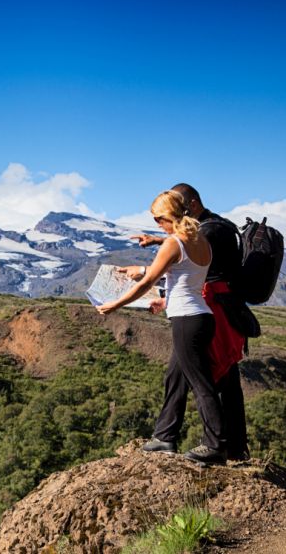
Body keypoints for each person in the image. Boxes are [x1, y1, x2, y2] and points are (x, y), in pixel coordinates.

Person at [96, 190, 227, 465]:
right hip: (200, 316)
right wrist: (164, 301)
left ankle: (216, 446)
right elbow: (187, 282)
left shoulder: (174, 243)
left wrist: (115, 304)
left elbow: (147, 281)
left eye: (158, 218)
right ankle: (164, 436)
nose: (157, 224)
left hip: (187, 321)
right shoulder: (201, 241)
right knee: (175, 378)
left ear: (170, 216)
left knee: (201, 384)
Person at [129, 183, 249, 461]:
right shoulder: (220, 227)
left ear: (191, 205)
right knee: (183, 372)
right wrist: (159, 241)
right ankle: (168, 436)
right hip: (212, 309)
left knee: (215, 379)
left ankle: (221, 445)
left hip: (211, 310)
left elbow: (185, 254)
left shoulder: (209, 230)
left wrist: (146, 271)